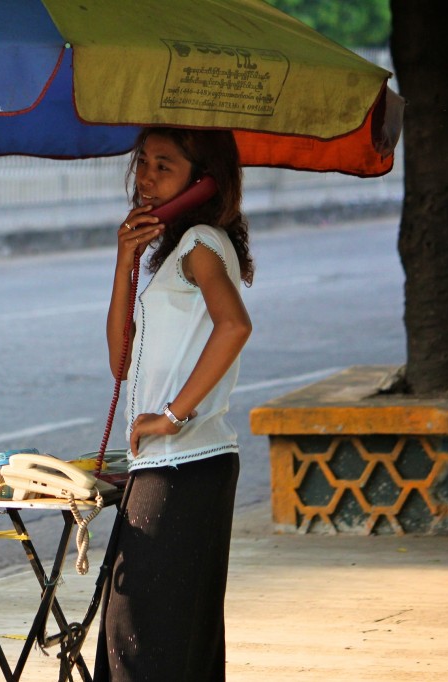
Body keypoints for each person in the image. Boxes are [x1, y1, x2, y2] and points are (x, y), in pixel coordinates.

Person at [95, 127, 254, 682]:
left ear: (204, 180)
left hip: (181, 467)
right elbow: (123, 364)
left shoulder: (201, 243)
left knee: (138, 637)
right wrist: (124, 263)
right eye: (142, 163)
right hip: (176, 467)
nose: (145, 178)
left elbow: (234, 326)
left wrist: (172, 416)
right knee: (176, 639)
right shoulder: (177, 253)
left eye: (164, 166)